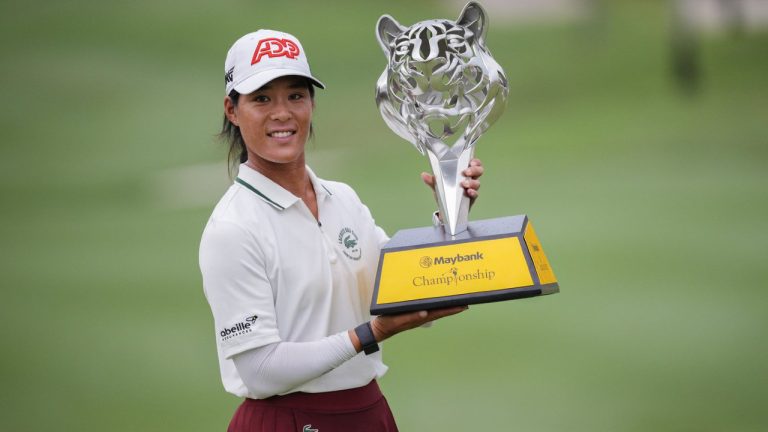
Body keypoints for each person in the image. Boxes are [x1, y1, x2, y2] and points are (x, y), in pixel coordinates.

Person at [199, 29, 484, 432]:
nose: (282, 113)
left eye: (296, 95)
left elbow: (406, 293)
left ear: (311, 103)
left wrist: (451, 213)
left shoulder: (342, 199)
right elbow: (261, 370)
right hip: (286, 420)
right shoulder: (233, 227)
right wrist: (370, 333)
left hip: (366, 412)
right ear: (232, 109)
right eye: (262, 98)